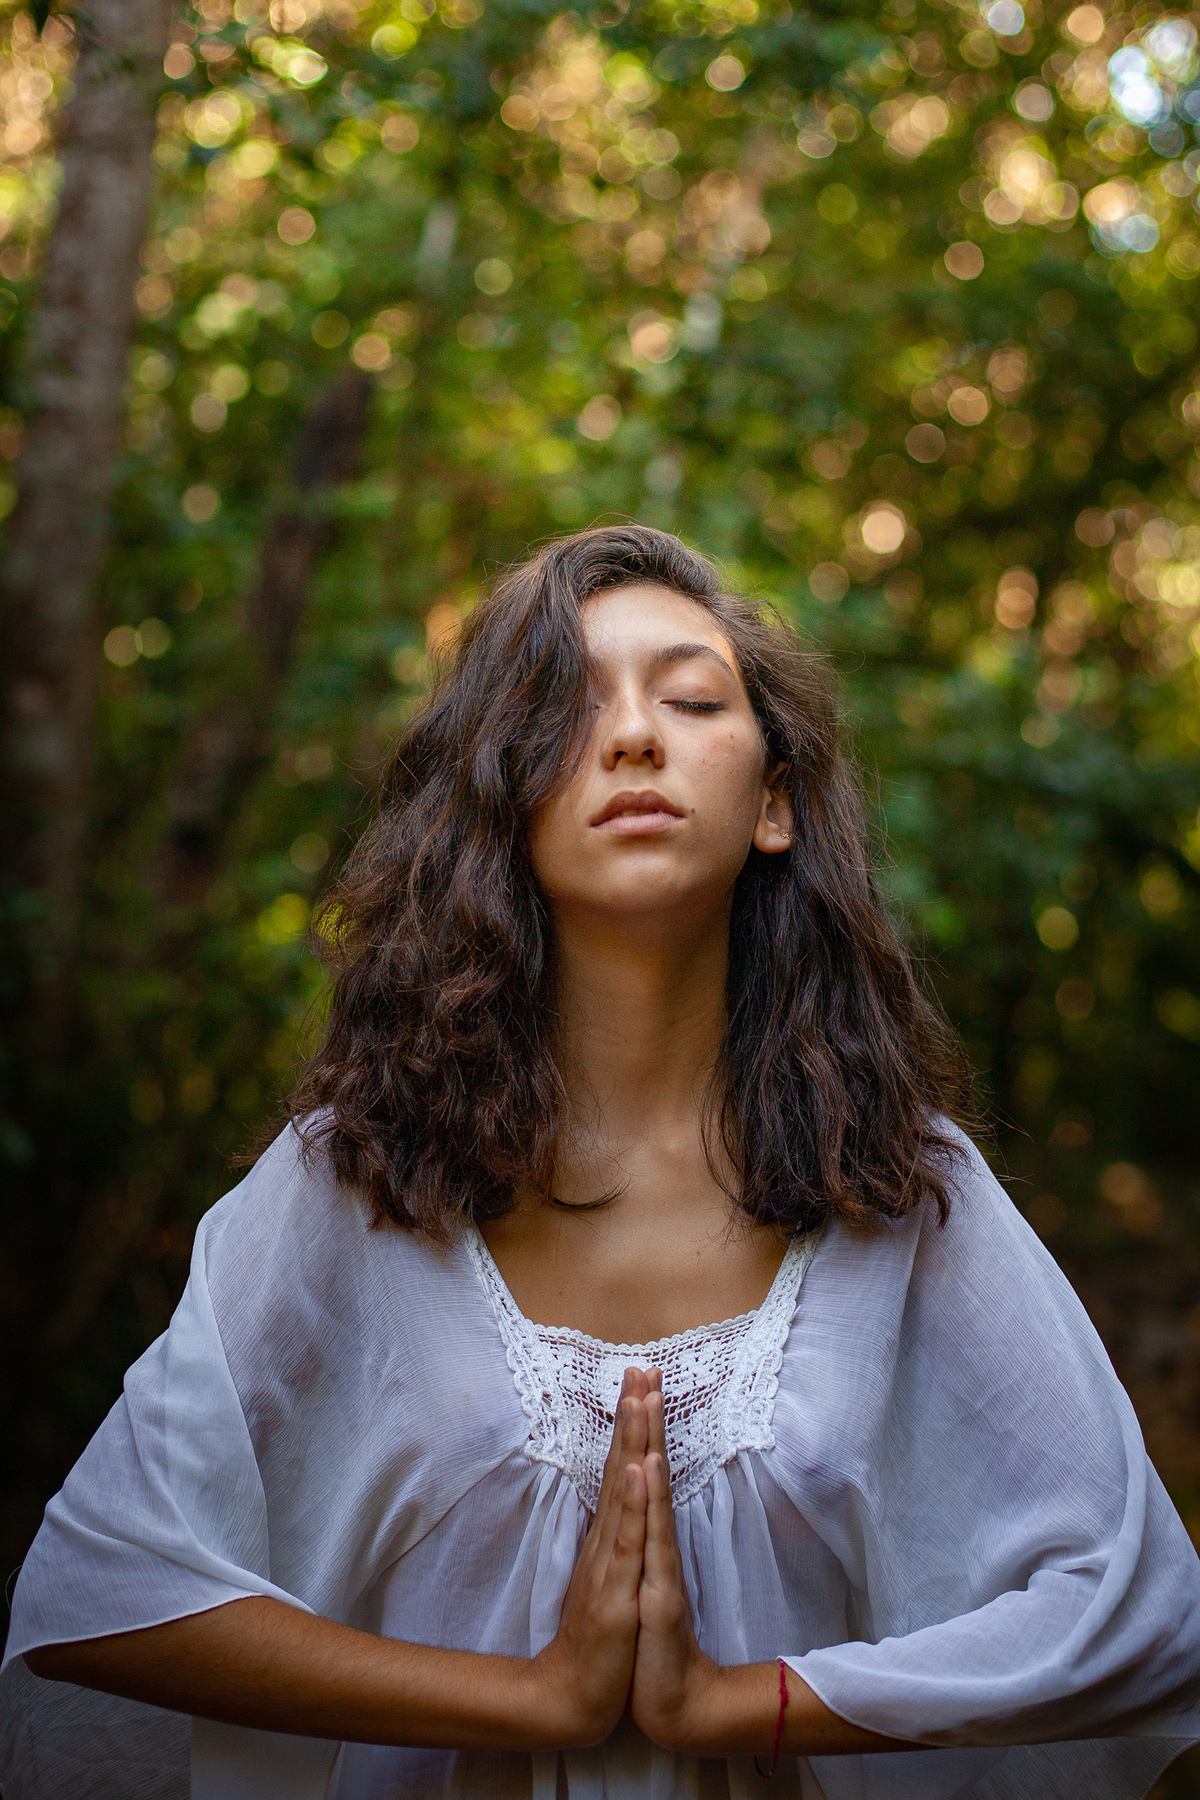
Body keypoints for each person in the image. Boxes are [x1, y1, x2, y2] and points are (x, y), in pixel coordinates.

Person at [3, 525, 1199, 1800]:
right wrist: (534, 1698)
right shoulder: (362, 1175)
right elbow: (103, 1594)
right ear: (501, 799)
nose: (634, 737)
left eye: (690, 699)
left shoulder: (896, 1183)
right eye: (568, 711)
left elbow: (1136, 1608)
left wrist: (748, 1705)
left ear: (777, 802)